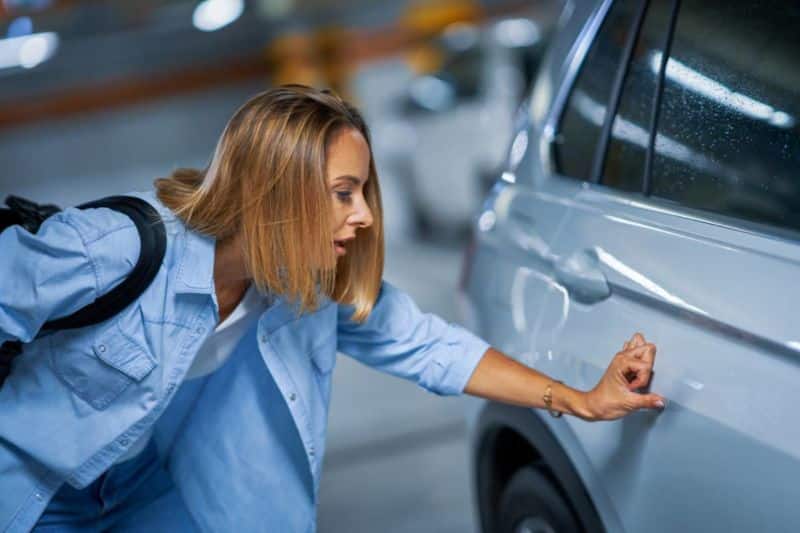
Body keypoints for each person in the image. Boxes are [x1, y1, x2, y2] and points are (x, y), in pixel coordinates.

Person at [0, 85, 665, 532]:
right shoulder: (116, 249)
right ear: (272, 190)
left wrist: (579, 398)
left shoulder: (307, 291)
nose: (366, 214)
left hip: (151, 499)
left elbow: (432, 346)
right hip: (29, 498)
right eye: (343, 192)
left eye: (363, 191)